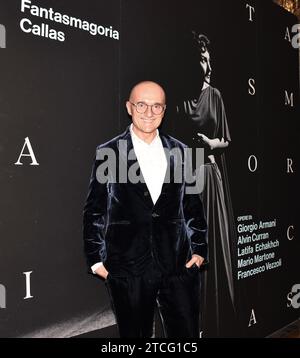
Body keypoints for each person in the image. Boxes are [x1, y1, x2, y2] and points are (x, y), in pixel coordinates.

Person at [83, 81, 207, 338]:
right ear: (129, 107)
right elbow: (95, 210)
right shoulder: (109, 152)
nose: (149, 112)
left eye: (156, 106)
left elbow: (194, 206)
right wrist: (96, 262)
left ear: (164, 110)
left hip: (178, 267)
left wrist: (199, 252)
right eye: (141, 104)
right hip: (126, 269)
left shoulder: (186, 153)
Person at [175, 33, 237, 337]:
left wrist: (212, 142)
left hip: (210, 180)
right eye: (203, 59)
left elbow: (225, 140)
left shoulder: (216, 95)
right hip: (186, 181)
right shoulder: (178, 99)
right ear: (192, 61)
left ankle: (215, 323)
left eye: (209, 58)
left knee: (211, 249)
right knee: (188, 252)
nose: (209, 64)